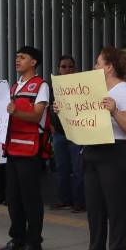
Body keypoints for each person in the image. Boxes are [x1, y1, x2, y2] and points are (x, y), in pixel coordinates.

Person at [65, 47, 126, 250]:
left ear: (109, 67)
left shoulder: (125, 91)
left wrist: (115, 110)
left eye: (98, 63)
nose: (94, 67)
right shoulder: (92, 91)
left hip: (115, 151)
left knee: (116, 208)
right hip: (93, 150)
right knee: (95, 208)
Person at [0, 46, 51, 250]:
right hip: (12, 148)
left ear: (33, 62)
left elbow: (37, 116)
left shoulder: (41, 86)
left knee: (31, 198)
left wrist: (15, 111)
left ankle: (34, 243)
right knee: (13, 197)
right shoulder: (13, 87)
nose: (17, 60)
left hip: (31, 148)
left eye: (22, 57)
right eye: (16, 56)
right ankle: (17, 238)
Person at [50, 55, 85, 212]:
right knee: (61, 168)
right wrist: (51, 127)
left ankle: (79, 202)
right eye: (63, 66)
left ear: (75, 69)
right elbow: (48, 109)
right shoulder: (53, 89)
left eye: (70, 66)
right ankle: (64, 199)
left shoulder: (80, 88)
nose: (67, 69)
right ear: (58, 69)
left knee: (78, 169)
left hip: (76, 134)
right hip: (59, 134)